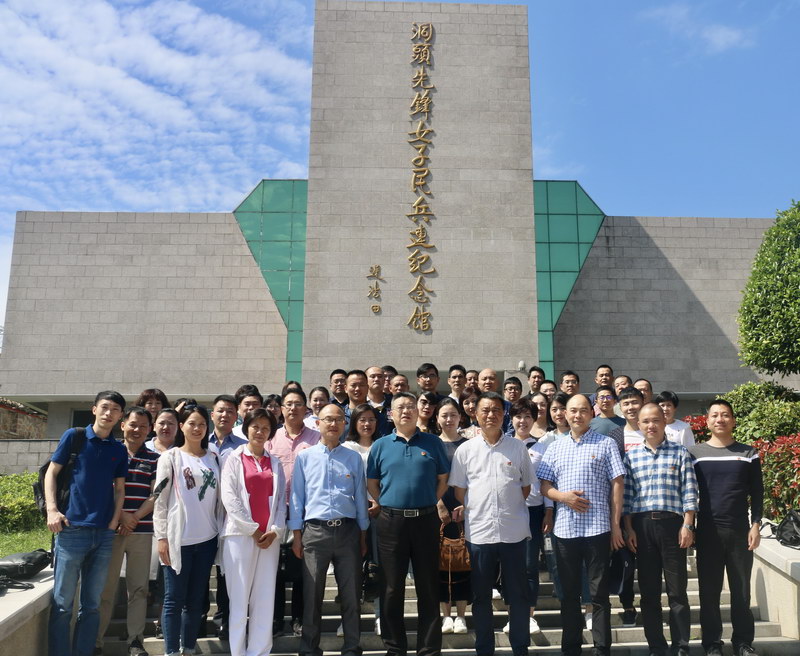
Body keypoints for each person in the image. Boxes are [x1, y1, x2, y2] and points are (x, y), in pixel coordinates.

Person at [537, 393, 625, 656]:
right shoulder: (555, 447)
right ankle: (571, 647)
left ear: (591, 413)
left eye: (583, 410)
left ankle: (601, 648)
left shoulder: (606, 443)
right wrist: (563, 497)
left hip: (598, 528)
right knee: (569, 594)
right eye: (573, 410)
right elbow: (545, 485)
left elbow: (617, 484)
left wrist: (616, 525)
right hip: (565, 531)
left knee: (599, 594)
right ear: (565, 413)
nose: (577, 415)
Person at [367, 392, 450, 656]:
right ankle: (395, 648)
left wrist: (429, 501)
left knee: (428, 586)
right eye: (400, 407)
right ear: (390, 414)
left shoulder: (433, 443)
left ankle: (429, 649)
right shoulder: (380, 445)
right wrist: (387, 503)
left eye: (411, 406)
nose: (406, 411)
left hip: (425, 520)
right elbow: (372, 483)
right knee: (391, 587)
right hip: (391, 522)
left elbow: (443, 479)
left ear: (418, 411)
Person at [45, 391, 128, 656]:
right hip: (71, 530)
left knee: (92, 605)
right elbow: (51, 473)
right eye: (104, 407)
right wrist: (52, 510)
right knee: (62, 604)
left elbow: (120, 489)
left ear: (121, 416)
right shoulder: (75, 436)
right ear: (94, 409)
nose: (109, 413)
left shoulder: (118, 449)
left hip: (103, 535)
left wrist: (113, 523)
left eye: (115, 409)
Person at [450, 392, 532, 656]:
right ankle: (484, 649)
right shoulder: (465, 450)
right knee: (481, 596)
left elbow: (526, 487)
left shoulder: (518, 448)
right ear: (475, 414)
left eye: (496, 410)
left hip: (513, 532)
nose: (491, 415)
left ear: (503, 413)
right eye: (485, 410)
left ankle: (520, 647)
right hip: (479, 533)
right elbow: (459, 491)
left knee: (518, 595)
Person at [290, 403, 369, 656]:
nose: (333, 424)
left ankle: (352, 647)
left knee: (351, 594)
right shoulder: (305, 457)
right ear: (318, 423)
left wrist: (363, 534)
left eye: (338, 419)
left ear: (344, 424)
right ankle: (309, 647)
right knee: (312, 594)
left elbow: (360, 497)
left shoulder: (353, 458)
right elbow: (297, 498)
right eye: (328, 419)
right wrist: (297, 536)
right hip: (315, 532)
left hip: (348, 531)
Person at [623, 403, 698, 656]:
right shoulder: (631, 456)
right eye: (645, 421)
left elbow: (689, 491)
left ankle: (681, 646)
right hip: (642, 528)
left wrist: (688, 524)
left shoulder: (680, 452)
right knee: (649, 592)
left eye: (655, 420)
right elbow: (627, 497)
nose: (651, 425)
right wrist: (629, 529)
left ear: (664, 421)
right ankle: (656, 646)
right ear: (639, 425)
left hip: (673, 526)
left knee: (677, 591)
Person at [690, 400, 763, 656]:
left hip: (739, 531)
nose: (719, 419)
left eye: (725, 415)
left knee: (741, 591)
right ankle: (712, 644)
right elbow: (687, 492)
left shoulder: (748, 452)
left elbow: (757, 492)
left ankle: (742, 643)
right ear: (707, 421)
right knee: (709, 592)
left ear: (733, 420)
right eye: (714, 415)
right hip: (707, 531)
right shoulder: (695, 454)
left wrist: (756, 524)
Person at [153, 404, 223, 656]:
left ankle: (189, 648)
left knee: (195, 601)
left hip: (207, 539)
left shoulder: (213, 456)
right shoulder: (170, 457)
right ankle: (171, 651)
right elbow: (160, 501)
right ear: (181, 426)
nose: (197, 428)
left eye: (202, 424)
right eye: (191, 423)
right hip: (178, 540)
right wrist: (162, 537)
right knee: (173, 599)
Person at [220, 408, 286, 656]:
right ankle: (238, 651)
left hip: (269, 539)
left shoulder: (275, 462)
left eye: (265, 428)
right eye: (255, 426)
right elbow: (230, 498)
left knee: (265, 598)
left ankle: (259, 651)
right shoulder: (234, 459)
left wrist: (275, 530)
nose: (260, 431)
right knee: (239, 599)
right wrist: (252, 530)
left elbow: (281, 502)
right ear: (246, 428)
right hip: (240, 536)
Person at [96, 406, 160, 656]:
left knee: (139, 589)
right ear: (122, 425)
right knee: (106, 589)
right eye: (133, 424)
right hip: (112, 530)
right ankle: (97, 641)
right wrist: (121, 515)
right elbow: (103, 487)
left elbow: (155, 494)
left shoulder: (154, 458)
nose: (137, 430)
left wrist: (133, 518)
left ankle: (135, 640)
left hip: (141, 531)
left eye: (143, 426)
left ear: (150, 429)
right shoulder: (110, 452)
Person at [268, 388, 321, 637]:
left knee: (302, 568)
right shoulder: (271, 437)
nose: (293, 408)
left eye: (298, 404)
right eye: (288, 404)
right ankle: (276, 619)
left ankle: (299, 619)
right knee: (274, 568)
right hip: (276, 510)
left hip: (307, 510)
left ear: (306, 409)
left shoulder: (317, 438)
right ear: (281, 409)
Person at [510, 397, 554, 634]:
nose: (523, 421)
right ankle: (513, 614)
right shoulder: (505, 445)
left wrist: (549, 511)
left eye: (528, 416)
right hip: (508, 511)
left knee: (529, 565)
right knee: (510, 565)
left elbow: (546, 482)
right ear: (511, 419)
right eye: (518, 416)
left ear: (534, 419)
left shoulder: (542, 448)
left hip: (534, 511)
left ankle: (528, 615)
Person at [206, 394, 246, 639]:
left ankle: (224, 619)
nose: (225, 415)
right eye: (220, 410)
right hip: (203, 513)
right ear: (212, 414)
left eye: (230, 411)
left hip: (231, 515)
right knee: (201, 569)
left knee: (226, 570)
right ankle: (198, 617)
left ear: (236, 415)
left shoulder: (243, 445)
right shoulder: (201, 441)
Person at [343, 404, 383, 635]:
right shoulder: (346, 448)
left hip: (380, 512)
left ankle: (380, 616)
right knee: (351, 569)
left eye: (371, 419)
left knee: (380, 567)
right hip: (352, 514)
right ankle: (349, 620)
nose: (367, 424)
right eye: (362, 419)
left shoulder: (383, 445)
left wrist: (379, 502)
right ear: (354, 422)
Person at [433, 398, 470, 635]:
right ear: (437, 418)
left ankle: (461, 616)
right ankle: (446, 615)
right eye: (444, 415)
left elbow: (475, 478)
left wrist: (467, 505)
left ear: (460, 417)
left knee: (462, 563)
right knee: (441, 564)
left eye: (453, 415)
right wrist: (438, 504)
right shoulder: (431, 444)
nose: (449, 419)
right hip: (437, 512)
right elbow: (427, 478)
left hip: (465, 511)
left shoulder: (469, 445)